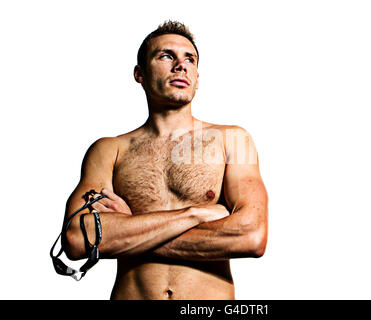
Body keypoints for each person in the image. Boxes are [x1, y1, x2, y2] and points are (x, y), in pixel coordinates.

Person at [62, 20, 268, 300]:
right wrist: (193, 215)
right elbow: (77, 239)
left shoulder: (233, 139)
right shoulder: (109, 150)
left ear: (197, 76)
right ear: (140, 73)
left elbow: (251, 236)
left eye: (190, 59)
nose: (181, 65)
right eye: (166, 56)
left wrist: (127, 230)